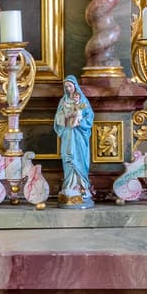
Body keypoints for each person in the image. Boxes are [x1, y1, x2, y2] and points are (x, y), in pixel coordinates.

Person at [53, 76, 95, 206]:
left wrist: (80, 121)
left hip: (79, 134)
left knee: (79, 157)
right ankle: (69, 186)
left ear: (75, 86)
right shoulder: (63, 100)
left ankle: (81, 187)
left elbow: (89, 116)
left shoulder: (82, 100)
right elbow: (58, 117)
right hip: (68, 133)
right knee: (68, 158)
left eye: (70, 86)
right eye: (66, 87)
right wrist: (66, 117)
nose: (68, 89)